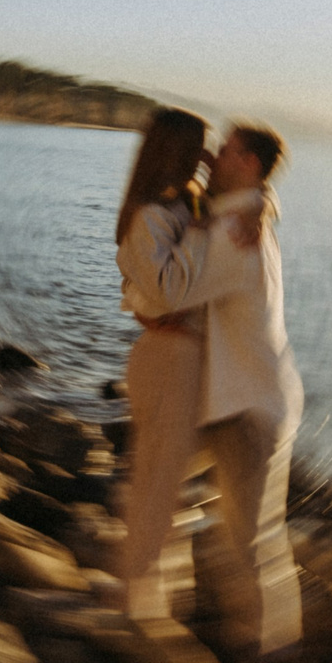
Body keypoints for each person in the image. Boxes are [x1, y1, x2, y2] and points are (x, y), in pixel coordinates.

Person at [133, 121, 303, 662]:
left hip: (249, 407)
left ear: (249, 164)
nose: (212, 156)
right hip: (229, 397)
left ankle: (268, 652)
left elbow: (171, 290)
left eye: (225, 150)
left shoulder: (233, 233)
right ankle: (158, 608)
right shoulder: (238, 217)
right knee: (160, 492)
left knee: (249, 537)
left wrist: (139, 295)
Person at [113, 106, 213, 625]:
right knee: (160, 481)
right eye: (199, 148)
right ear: (180, 153)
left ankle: (145, 595)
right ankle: (140, 605)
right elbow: (167, 291)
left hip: (179, 356)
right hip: (169, 356)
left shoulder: (179, 207)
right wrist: (199, 229)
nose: (205, 158)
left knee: (162, 480)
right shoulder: (153, 215)